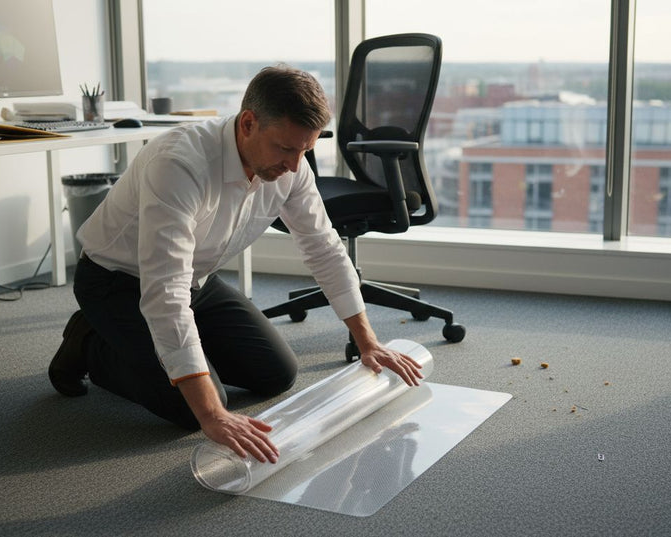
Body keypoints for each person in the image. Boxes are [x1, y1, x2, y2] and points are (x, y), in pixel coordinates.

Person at [48, 65, 423, 464]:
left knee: (276, 374)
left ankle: (162, 349)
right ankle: (89, 342)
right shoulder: (179, 164)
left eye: (305, 150)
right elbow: (165, 292)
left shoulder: (292, 166)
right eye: (285, 148)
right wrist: (211, 413)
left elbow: (324, 248)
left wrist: (368, 342)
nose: (295, 166)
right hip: (116, 281)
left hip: (196, 279)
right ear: (248, 124)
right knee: (192, 409)